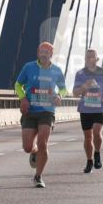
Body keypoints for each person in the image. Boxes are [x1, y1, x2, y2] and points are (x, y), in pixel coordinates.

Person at [15, 42, 67, 188]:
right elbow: (18, 85)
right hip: (30, 111)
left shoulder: (56, 70)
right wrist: (23, 98)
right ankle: (34, 151)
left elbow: (63, 89)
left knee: (43, 142)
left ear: (51, 54)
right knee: (27, 147)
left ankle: (38, 176)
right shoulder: (29, 67)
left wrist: (60, 96)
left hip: (47, 111)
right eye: (42, 52)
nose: (44, 55)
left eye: (47, 52)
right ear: (38, 53)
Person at [72, 48, 103, 173]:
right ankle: (89, 161)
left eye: (93, 57)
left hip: (99, 108)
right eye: (88, 57)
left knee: (97, 132)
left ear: (97, 59)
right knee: (88, 137)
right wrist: (84, 86)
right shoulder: (80, 74)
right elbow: (75, 93)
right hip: (85, 109)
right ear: (85, 59)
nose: (90, 59)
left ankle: (97, 153)